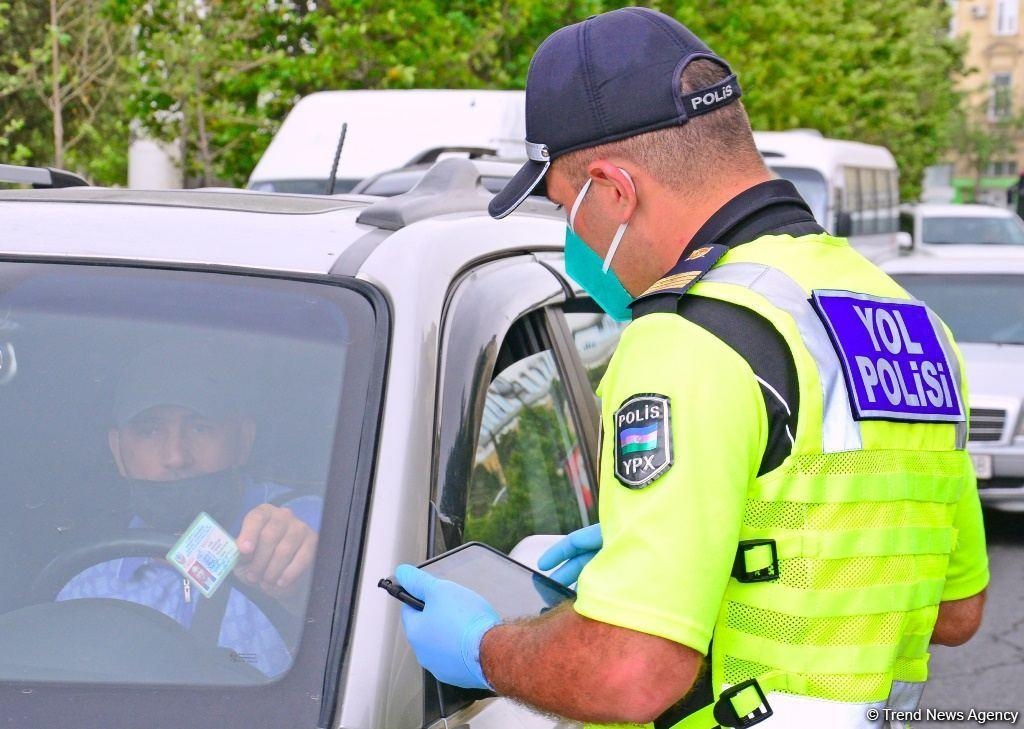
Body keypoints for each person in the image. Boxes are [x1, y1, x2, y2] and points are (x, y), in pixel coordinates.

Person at [394, 8, 989, 728]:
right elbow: (954, 608)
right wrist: (711, 563)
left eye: (563, 207)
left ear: (614, 189)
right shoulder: (910, 324)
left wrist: (482, 648)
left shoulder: (689, 336)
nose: (571, 239)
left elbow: (632, 672)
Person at [57, 344, 319, 678]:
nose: (176, 456)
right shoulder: (87, 586)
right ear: (118, 450)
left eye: (199, 427)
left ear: (244, 439)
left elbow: (341, 593)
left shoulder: (304, 524)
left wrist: (300, 581)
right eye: (149, 430)